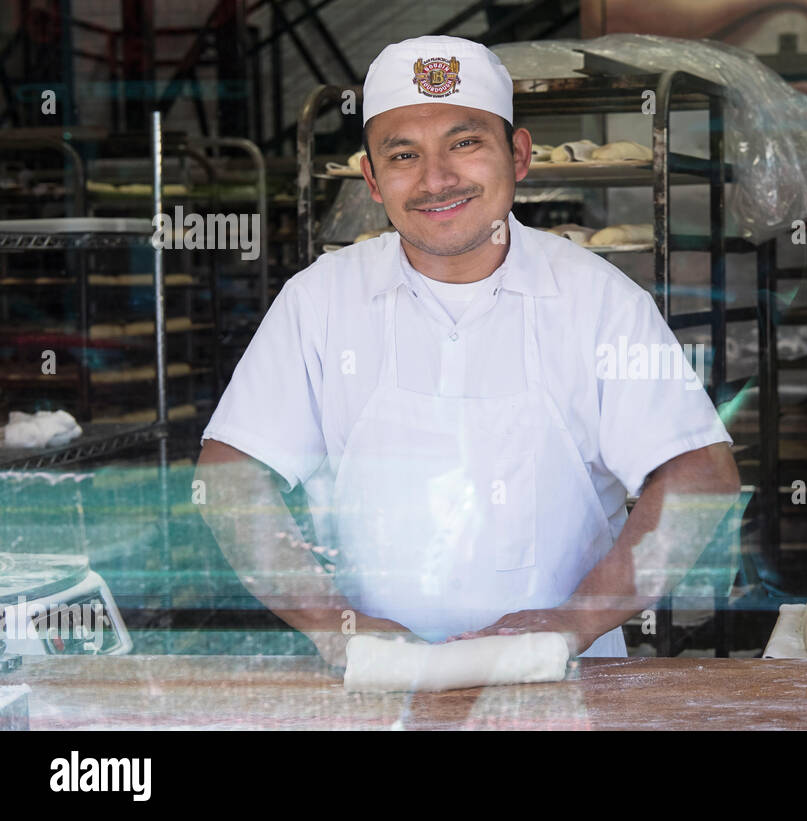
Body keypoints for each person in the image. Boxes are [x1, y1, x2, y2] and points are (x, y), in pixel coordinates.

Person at [196, 35, 740, 666]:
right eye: (403, 155)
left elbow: (701, 477)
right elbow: (229, 479)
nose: (436, 179)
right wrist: (333, 625)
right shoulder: (319, 301)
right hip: (376, 684)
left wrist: (572, 621)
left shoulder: (600, 301)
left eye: (465, 142)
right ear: (371, 179)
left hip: (564, 681)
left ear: (519, 154)